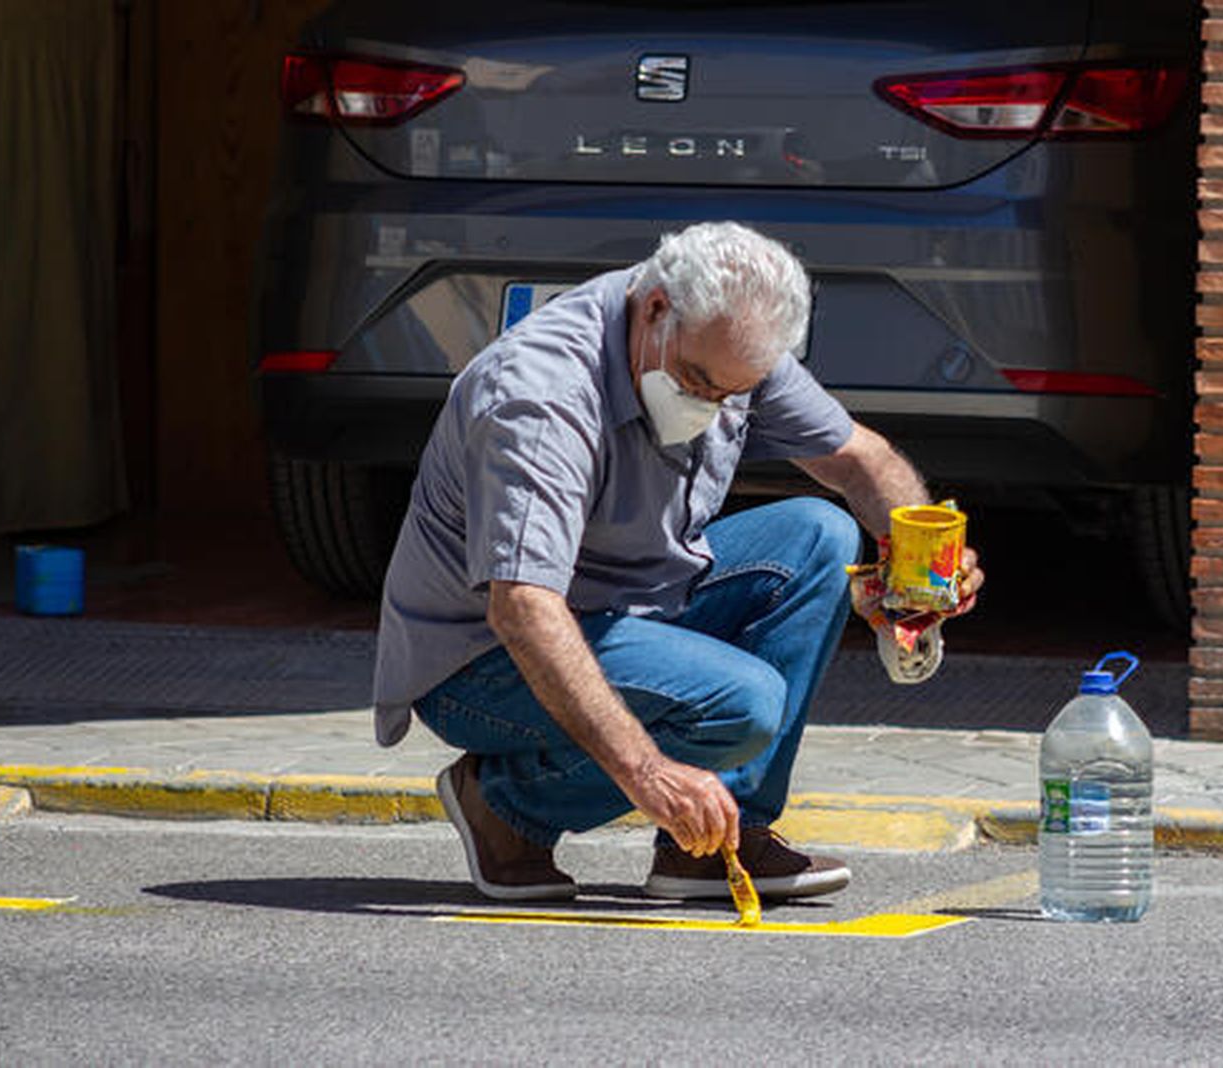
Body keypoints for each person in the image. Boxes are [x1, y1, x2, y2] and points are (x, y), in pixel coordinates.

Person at [372, 221, 983, 903]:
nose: (712, 405)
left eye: (734, 393)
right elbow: (522, 607)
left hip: (625, 604)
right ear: (655, 309)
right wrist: (647, 772)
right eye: (697, 382)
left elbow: (857, 458)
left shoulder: (723, 344)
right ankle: (506, 806)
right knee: (742, 704)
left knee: (820, 535)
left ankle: (717, 843)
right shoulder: (542, 399)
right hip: (483, 660)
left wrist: (922, 568)